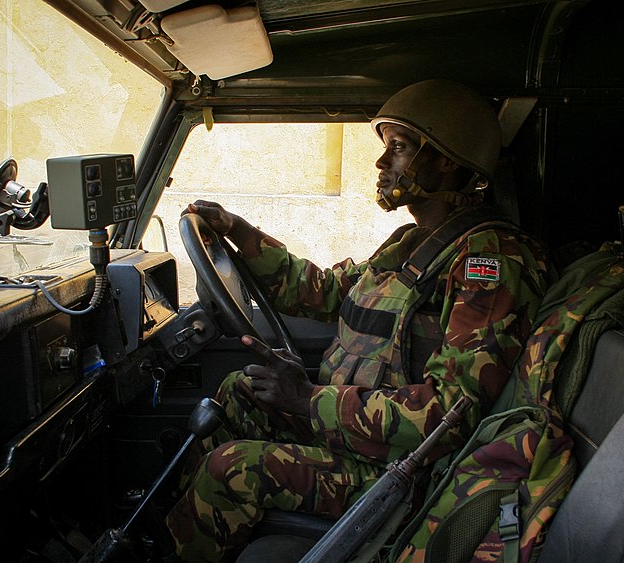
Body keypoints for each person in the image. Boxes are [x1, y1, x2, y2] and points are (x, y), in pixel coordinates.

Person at [164, 79, 551, 562]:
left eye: (401, 148)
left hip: (408, 471)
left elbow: (450, 415)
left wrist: (307, 400)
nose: (382, 163)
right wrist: (239, 231)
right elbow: (325, 292)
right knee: (239, 392)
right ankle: (185, 534)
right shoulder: (412, 243)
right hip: (364, 436)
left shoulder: (489, 262)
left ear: (448, 160)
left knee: (231, 468)